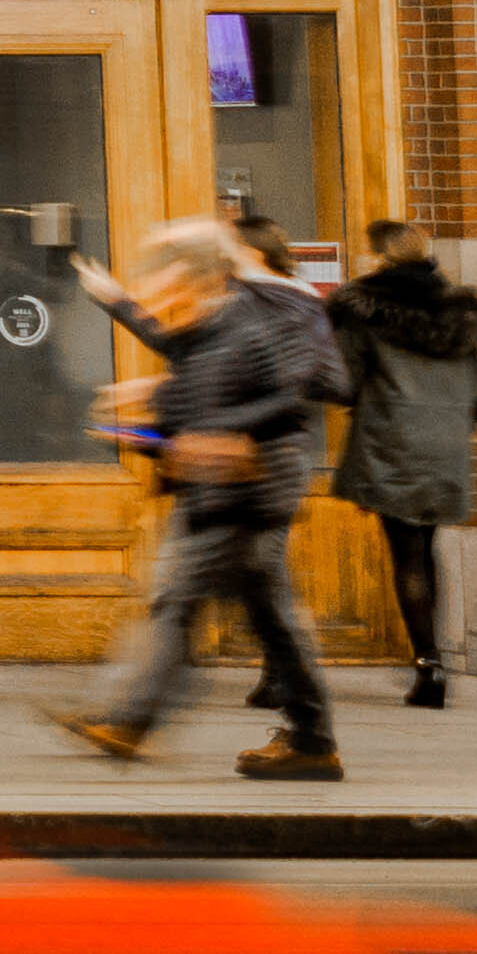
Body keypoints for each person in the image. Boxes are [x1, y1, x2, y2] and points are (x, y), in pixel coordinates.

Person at [68, 216, 343, 778]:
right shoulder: (209, 326)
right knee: (263, 616)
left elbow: (292, 395)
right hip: (218, 490)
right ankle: (312, 740)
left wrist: (218, 432)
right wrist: (142, 432)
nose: (158, 286)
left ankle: (131, 722)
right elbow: (193, 401)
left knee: (185, 602)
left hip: (252, 488)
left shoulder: (258, 320)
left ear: (195, 273)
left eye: (165, 271)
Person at [327, 215, 477, 715]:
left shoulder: (363, 309)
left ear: (379, 257)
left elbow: (344, 380)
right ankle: (432, 660)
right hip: (445, 442)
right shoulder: (460, 312)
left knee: (406, 553)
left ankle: (428, 664)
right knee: (427, 546)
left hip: (390, 439)